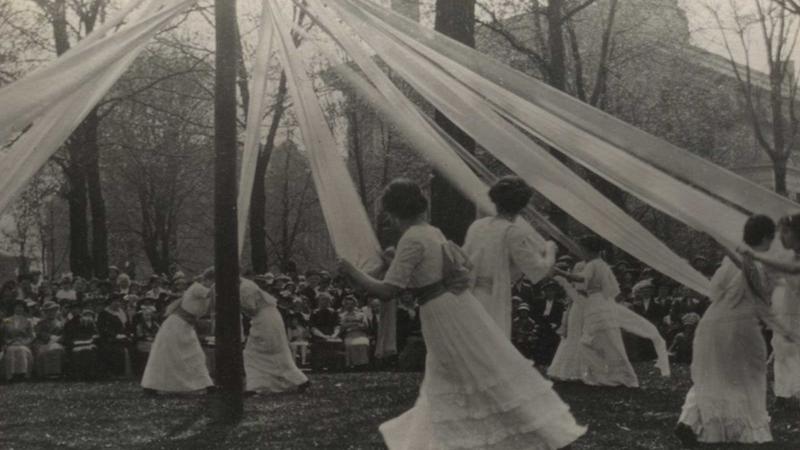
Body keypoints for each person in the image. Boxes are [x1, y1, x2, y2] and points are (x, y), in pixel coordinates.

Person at [338, 178, 585, 450]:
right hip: (454, 305)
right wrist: (391, 262)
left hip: (441, 312)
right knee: (464, 370)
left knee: (468, 372)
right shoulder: (431, 231)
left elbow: (387, 291)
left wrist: (352, 271)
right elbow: (426, 273)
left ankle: (531, 433)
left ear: (395, 212)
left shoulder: (412, 238)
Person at [675, 214, 798, 445]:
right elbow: (761, 297)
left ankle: (689, 419)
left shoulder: (727, 263)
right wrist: (783, 328)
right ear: (765, 238)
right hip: (739, 326)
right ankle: (743, 429)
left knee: (711, 373)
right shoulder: (758, 264)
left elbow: (715, 291)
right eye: (772, 237)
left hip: (711, 322)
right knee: (747, 377)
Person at [462, 176, 557, 338]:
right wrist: (550, 250)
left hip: (467, 296)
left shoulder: (477, 226)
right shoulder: (512, 231)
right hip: (491, 299)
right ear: (522, 206)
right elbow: (541, 271)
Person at [552, 237, 639, 388]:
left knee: (592, 340)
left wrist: (560, 272)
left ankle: (601, 372)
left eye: (583, 249)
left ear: (589, 250)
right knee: (587, 337)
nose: (581, 252)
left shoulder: (595, 264)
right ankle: (582, 371)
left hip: (593, 304)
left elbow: (583, 280)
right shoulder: (594, 264)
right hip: (588, 303)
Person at [141, 270, 215, 394]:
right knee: (167, 355)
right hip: (176, 324)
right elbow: (212, 293)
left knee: (195, 354)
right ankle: (152, 385)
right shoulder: (197, 287)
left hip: (186, 326)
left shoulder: (203, 290)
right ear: (207, 280)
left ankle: (206, 384)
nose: (213, 283)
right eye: (212, 280)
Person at [240, 277, 309, 394]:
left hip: (264, 320)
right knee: (272, 352)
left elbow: (251, 308)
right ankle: (299, 379)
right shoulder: (247, 284)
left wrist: (236, 303)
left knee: (255, 353)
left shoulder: (244, 287)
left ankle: (255, 386)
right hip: (268, 318)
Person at [768, 214, 800, 407]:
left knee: (794, 350)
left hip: (796, 312)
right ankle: (782, 392)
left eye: (786, 232)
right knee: (780, 347)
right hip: (782, 310)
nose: (782, 237)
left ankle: (795, 390)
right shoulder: (786, 256)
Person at [95, 294, 130, 377]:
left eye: (119, 302)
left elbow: (127, 326)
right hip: (108, 338)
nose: (117, 303)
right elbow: (102, 328)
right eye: (115, 301)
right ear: (110, 303)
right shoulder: (104, 314)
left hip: (122, 336)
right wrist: (115, 335)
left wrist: (127, 334)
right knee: (113, 349)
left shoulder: (122, 313)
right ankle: (113, 372)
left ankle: (128, 372)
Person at [1, 301, 34, 381]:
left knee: (22, 350)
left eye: (21, 307)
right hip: (11, 343)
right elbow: (3, 334)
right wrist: (8, 342)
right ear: (13, 308)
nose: (19, 309)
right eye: (17, 307)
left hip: (23, 343)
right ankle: (11, 375)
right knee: (11, 351)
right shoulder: (7, 320)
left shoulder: (28, 321)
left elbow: (31, 336)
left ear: (23, 309)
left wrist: (24, 342)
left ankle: (22, 374)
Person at [32, 301, 66, 378]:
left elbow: (64, 334)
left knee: (57, 348)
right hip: (43, 342)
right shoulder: (40, 323)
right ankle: (46, 373)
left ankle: (56, 372)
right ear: (45, 312)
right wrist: (49, 337)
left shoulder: (61, 323)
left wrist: (58, 338)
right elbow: (38, 333)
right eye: (49, 311)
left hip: (58, 342)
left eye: (54, 310)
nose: (51, 313)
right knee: (43, 350)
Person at [339, 295, 371, 370]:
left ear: (355, 304)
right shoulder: (342, 315)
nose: (349, 306)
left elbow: (365, 325)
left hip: (360, 333)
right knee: (350, 344)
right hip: (349, 334)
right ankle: (352, 364)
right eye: (347, 304)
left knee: (363, 343)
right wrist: (355, 324)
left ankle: (363, 364)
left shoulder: (361, 314)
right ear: (344, 305)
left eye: (351, 304)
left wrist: (350, 324)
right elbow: (342, 327)